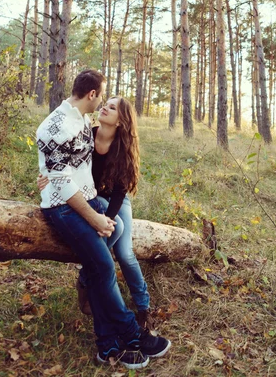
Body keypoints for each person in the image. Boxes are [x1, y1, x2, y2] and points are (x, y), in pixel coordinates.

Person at [36, 69, 171, 369]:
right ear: (93, 94)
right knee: (105, 266)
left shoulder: (84, 120)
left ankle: (107, 345)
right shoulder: (53, 127)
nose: (104, 107)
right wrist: (95, 218)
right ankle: (132, 333)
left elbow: (77, 168)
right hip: (64, 207)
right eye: (104, 98)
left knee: (107, 255)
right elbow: (62, 183)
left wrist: (101, 212)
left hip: (91, 199)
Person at [39, 96, 153, 329]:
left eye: (112, 108)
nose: (104, 108)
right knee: (115, 232)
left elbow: (121, 192)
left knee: (125, 253)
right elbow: (61, 163)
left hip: (116, 201)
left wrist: (107, 218)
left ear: (121, 121)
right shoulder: (86, 134)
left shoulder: (123, 147)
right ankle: (89, 276)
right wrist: (47, 177)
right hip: (90, 196)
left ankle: (143, 307)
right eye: (105, 104)